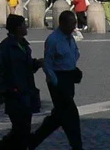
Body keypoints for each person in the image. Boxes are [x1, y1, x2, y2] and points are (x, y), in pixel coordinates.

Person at [0, 13, 40, 149]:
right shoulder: (5, 48)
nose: (26, 26)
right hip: (14, 94)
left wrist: (37, 63)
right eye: (23, 24)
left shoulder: (23, 45)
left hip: (26, 92)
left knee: (23, 129)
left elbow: (26, 66)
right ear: (17, 28)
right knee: (20, 130)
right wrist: (2, 91)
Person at [33, 10, 84, 150]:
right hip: (57, 80)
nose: (74, 27)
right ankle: (77, 146)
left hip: (68, 78)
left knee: (58, 117)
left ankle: (32, 141)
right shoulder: (53, 40)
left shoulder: (70, 38)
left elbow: (75, 53)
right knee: (71, 115)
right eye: (71, 24)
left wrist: (73, 69)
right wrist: (55, 81)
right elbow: (47, 64)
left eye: (75, 23)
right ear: (62, 23)